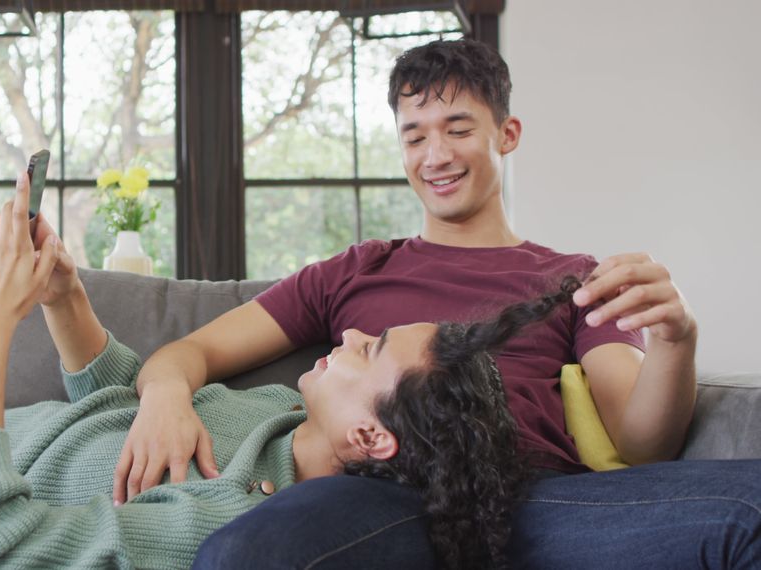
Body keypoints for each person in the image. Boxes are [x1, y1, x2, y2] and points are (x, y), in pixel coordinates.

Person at [0, 172, 578, 568]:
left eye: (369, 351)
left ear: (370, 435)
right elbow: (110, 403)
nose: (346, 338)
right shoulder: (270, 412)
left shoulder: (231, 526)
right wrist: (67, 300)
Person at [98, 39, 761, 568]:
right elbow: (192, 352)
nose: (435, 154)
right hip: (375, 495)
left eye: (457, 128)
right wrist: (163, 398)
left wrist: (676, 341)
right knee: (250, 553)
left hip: (532, 500)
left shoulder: (572, 278)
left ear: (507, 134)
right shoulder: (355, 270)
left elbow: (639, 446)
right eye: (414, 135)